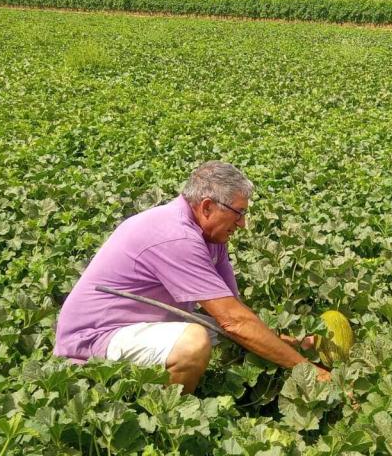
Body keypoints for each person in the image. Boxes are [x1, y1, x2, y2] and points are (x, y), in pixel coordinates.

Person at [54, 161, 330, 393]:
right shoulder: (174, 236)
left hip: (139, 326)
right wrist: (311, 373)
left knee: (233, 336)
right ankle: (168, 419)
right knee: (193, 344)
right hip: (92, 340)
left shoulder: (211, 237)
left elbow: (234, 312)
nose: (243, 223)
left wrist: (283, 342)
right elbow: (233, 322)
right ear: (208, 206)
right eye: (239, 212)